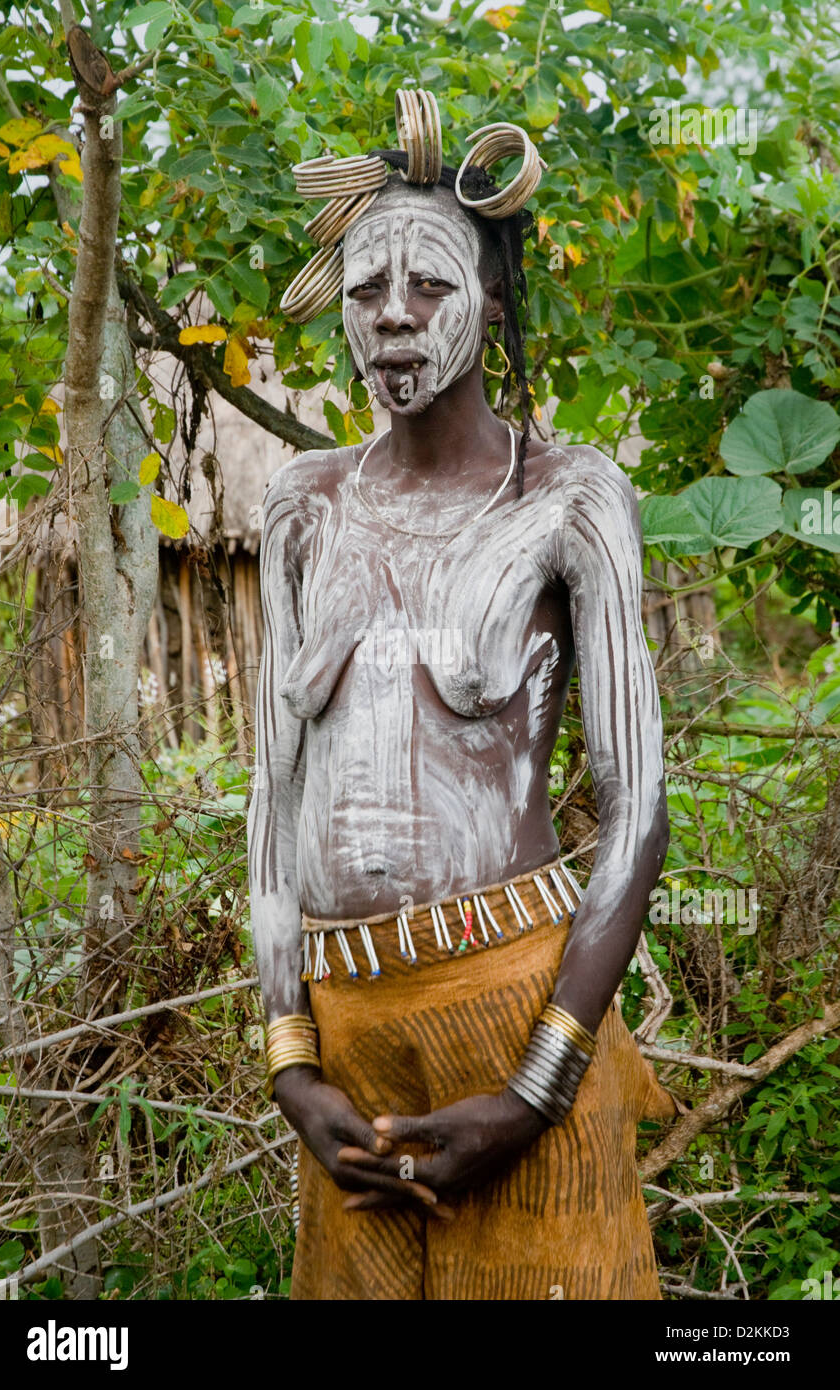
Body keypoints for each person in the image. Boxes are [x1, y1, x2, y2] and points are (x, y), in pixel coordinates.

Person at [246, 96, 674, 1300]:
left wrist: (535, 1087)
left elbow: (635, 805)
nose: (389, 313)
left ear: (491, 302)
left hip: (515, 1003)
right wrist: (291, 1064)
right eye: (364, 286)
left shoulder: (571, 498)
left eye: (427, 285)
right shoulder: (302, 505)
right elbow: (272, 801)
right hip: (343, 1038)